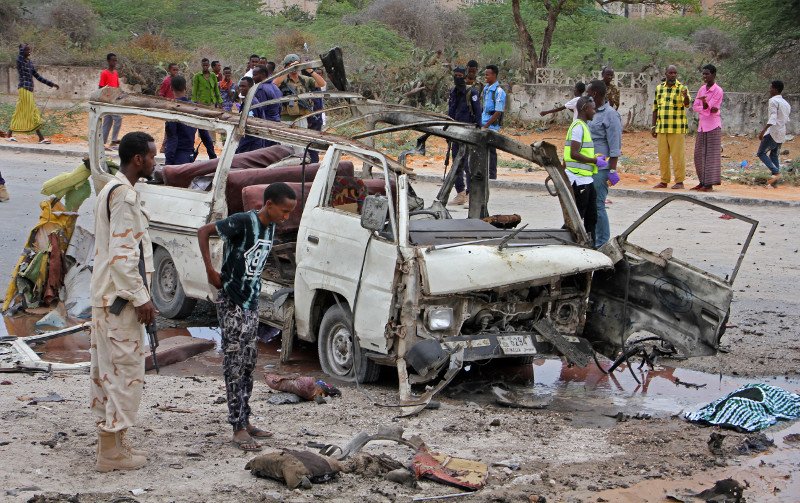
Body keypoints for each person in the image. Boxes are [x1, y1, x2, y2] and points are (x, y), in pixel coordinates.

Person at [197, 183, 298, 452]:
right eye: (284, 211)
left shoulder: (272, 226)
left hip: (251, 303)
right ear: (269, 205)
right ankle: (237, 427)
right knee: (234, 363)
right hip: (231, 300)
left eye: (290, 212)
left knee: (249, 362)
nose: (286, 217)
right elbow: (204, 231)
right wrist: (210, 270)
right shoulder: (243, 222)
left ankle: (246, 419)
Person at [89, 131, 157, 472]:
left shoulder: (110, 189)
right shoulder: (125, 196)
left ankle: (113, 445)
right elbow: (123, 257)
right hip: (120, 302)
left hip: (106, 300)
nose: (155, 162)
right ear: (138, 160)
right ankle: (111, 453)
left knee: (107, 374)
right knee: (126, 373)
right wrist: (143, 298)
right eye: (152, 156)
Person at [586, 80, 622, 249]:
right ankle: (592, 240)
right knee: (589, 205)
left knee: (599, 204)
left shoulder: (610, 114)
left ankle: (602, 243)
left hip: (601, 167)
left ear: (594, 94)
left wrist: (612, 170)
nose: (586, 95)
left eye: (588, 92)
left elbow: (615, 145)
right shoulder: (590, 112)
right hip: (588, 164)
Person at [563, 96, 604, 243]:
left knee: (591, 216)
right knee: (577, 216)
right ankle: (564, 241)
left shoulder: (583, 126)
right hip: (578, 179)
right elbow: (573, 153)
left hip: (586, 178)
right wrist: (594, 160)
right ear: (585, 109)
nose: (594, 112)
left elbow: (579, 151)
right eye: (593, 109)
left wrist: (595, 158)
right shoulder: (578, 127)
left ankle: (589, 244)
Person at [4, 44, 60, 144]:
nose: (29, 52)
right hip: (23, 89)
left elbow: (38, 76)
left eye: (30, 50)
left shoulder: (29, 63)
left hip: (29, 90)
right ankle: (41, 138)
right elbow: (20, 55)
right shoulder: (20, 61)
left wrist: (51, 84)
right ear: (22, 51)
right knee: (32, 112)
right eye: (27, 50)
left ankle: (9, 135)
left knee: (22, 111)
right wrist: (22, 48)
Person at [651, 65, 691, 189]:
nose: (673, 75)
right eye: (671, 73)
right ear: (666, 73)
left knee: (678, 156)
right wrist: (653, 126)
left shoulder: (682, 88)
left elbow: (687, 104)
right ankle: (664, 180)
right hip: (662, 127)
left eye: (675, 73)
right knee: (663, 156)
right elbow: (655, 108)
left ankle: (679, 181)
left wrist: (685, 96)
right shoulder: (659, 88)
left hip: (677, 128)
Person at [447, 66, 482, 206]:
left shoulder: (471, 92)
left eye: (460, 75)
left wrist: (478, 130)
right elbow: (450, 111)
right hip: (454, 132)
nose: (458, 77)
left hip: (468, 132)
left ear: (465, 76)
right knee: (456, 163)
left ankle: (470, 194)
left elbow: (478, 112)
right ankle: (460, 193)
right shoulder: (453, 92)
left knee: (468, 164)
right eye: (456, 75)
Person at [163, 76, 216, 165]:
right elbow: (205, 136)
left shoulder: (172, 109)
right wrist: (213, 157)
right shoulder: (194, 108)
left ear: (171, 88)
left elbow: (172, 137)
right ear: (185, 88)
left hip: (177, 156)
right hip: (189, 156)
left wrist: (168, 162)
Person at [692, 64, 724, 192]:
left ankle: (709, 184)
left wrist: (705, 106)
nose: (705, 76)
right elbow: (696, 106)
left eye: (707, 74)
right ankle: (702, 181)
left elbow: (710, 107)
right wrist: (706, 107)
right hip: (702, 126)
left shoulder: (718, 90)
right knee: (698, 155)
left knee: (711, 155)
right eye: (703, 74)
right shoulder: (701, 89)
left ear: (713, 75)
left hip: (713, 125)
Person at [757, 80, 791, 188]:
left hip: (772, 131)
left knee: (761, 153)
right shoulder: (786, 103)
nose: (769, 89)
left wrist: (763, 131)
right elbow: (786, 119)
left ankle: (776, 172)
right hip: (781, 132)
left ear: (775, 89)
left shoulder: (773, 101)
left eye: (771, 88)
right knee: (774, 155)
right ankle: (774, 183)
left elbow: (773, 117)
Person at [481, 64, 506, 180]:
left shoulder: (499, 91)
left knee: (491, 151)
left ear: (494, 75)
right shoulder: (486, 89)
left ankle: (492, 175)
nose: (485, 76)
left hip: (491, 126)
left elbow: (498, 112)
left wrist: (486, 125)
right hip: (483, 123)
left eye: (487, 74)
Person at [234, 77, 265, 154]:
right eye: (240, 86)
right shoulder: (248, 101)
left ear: (251, 87)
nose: (241, 88)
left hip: (251, 143)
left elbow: (250, 125)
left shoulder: (251, 104)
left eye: (243, 86)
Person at [99, 53, 123, 149]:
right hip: (108, 100)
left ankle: (102, 143)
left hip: (114, 99)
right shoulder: (104, 73)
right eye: (113, 60)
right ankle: (114, 140)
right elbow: (101, 87)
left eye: (116, 60)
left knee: (107, 121)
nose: (114, 62)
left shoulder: (115, 73)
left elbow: (116, 86)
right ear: (108, 61)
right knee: (118, 118)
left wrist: (119, 95)